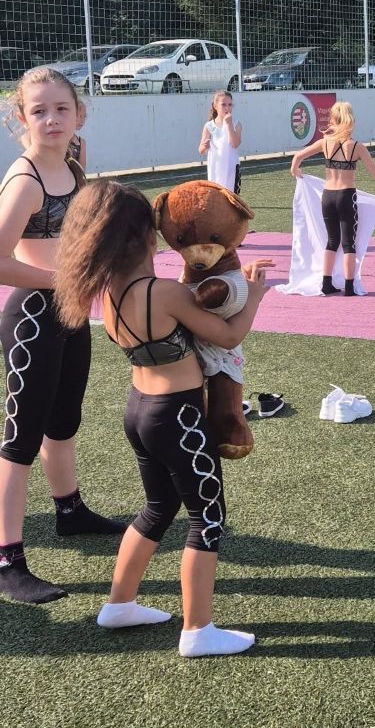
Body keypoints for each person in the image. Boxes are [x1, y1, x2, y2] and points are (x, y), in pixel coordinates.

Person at [54, 180, 269, 657]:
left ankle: (119, 604)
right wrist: (254, 294)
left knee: (157, 508)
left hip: (140, 412)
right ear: (144, 237)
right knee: (207, 517)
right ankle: (198, 630)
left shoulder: (108, 292)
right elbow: (227, 335)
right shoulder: (164, 292)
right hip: (178, 416)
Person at [0, 68, 126, 606]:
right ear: (20, 119)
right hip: (33, 317)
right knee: (20, 440)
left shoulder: (73, 167)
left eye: (61, 109)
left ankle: (69, 510)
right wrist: (62, 281)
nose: (51, 119)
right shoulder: (25, 180)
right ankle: (7, 559)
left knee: (63, 422)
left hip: (70, 314)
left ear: (79, 114)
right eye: (39, 111)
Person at [290, 101, 375, 296]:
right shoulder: (356, 147)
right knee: (348, 244)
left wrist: (296, 171)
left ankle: (326, 283)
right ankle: (349, 286)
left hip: (328, 196)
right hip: (346, 196)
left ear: (333, 120)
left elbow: (298, 157)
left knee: (331, 241)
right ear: (351, 120)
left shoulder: (325, 143)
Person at [199, 91, 242, 193]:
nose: (227, 108)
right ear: (215, 106)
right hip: (215, 168)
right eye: (223, 104)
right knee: (215, 197)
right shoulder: (209, 126)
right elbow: (201, 150)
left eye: (230, 105)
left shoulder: (236, 124)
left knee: (232, 198)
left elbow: (235, 144)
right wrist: (205, 146)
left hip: (232, 168)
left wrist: (229, 124)